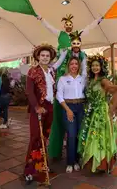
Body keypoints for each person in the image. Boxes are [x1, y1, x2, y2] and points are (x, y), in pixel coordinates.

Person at [24, 44, 66, 184]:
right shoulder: (32, 71)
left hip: (50, 107)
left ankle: (42, 166)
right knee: (36, 136)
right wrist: (36, 106)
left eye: (47, 56)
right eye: (42, 55)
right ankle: (29, 170)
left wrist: (64, 54)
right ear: (38, 56)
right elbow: (29, 91)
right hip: (38, 108)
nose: (45, 58)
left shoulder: (52, 71)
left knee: (45, 136)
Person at [78, 54, 117, 173]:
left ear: (101, 67)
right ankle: (94, 162)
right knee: (91, 136)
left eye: (97, 65)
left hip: (101, 113)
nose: (95, 67)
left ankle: (102, 164)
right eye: (93, 65)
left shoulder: (103, 80)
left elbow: (112, 88)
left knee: (99, 137)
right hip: (91, 112)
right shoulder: (90, 81)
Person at [48, 31, 87, 160]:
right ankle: (63, 156)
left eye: (78, 42)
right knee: (66, 130)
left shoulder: (83, 60)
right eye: (73, 42)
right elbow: (57, 64)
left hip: (79, 105)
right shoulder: (65, 55)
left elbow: (86, 73)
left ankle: (78, 156)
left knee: (79, 132)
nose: (74, 66)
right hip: (66, 103)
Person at [56, 56, 86, 173]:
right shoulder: (63, 79)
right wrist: (68, 110)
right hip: (68, 107)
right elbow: (59, 96)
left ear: (79, 66)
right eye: (72, 64)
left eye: (76, 64)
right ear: (68, 66)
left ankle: (77, 160)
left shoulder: (82, 78)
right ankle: (70, 162)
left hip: (81, 107)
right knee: (71, 134)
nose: (74, 66)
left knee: (79, 134)